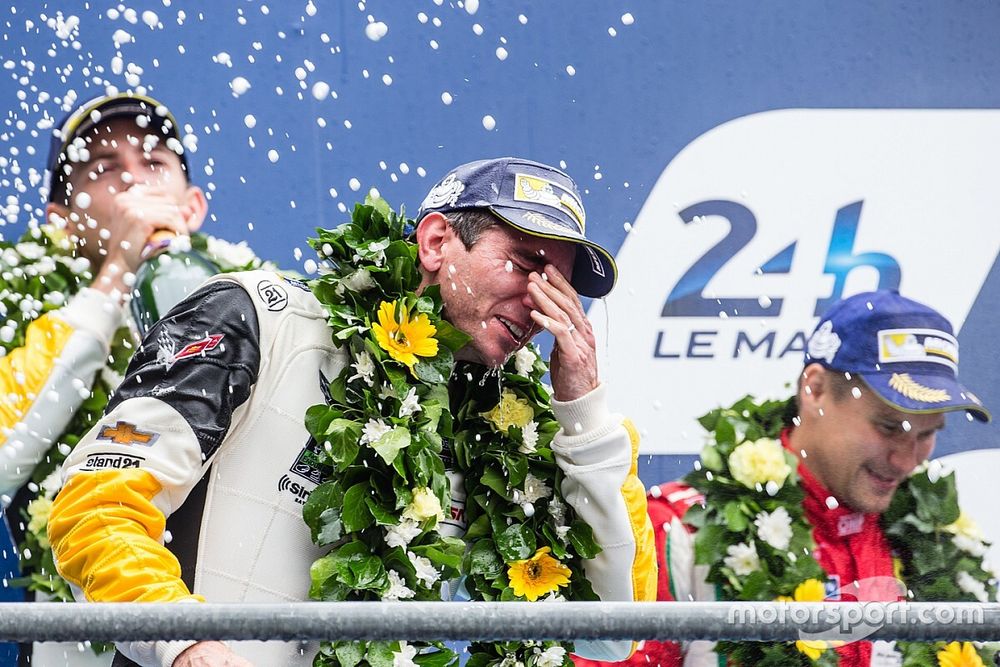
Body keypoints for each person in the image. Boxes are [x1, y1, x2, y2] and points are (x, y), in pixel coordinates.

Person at [47, 158, 657, 667]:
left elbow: (611, 627)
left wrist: (584, 410)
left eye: (560, 282)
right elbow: (95, 508)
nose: (539, 301)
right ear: (437, 241)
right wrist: (184, 645)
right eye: (524, 263)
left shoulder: (517, 426)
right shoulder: (257, 319)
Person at [573, 290, 993, 667]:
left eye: (927, 434)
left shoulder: (934, 542)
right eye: (888, 427)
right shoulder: (683, 530)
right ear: (815, 390)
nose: (906, 460)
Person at [0, 91, 265, 667]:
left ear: (191, 206)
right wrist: (118, 272)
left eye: (153, 164)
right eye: (104, 169)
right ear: (62, 221)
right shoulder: (19, 309)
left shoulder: (257, 312)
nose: (134, 184)